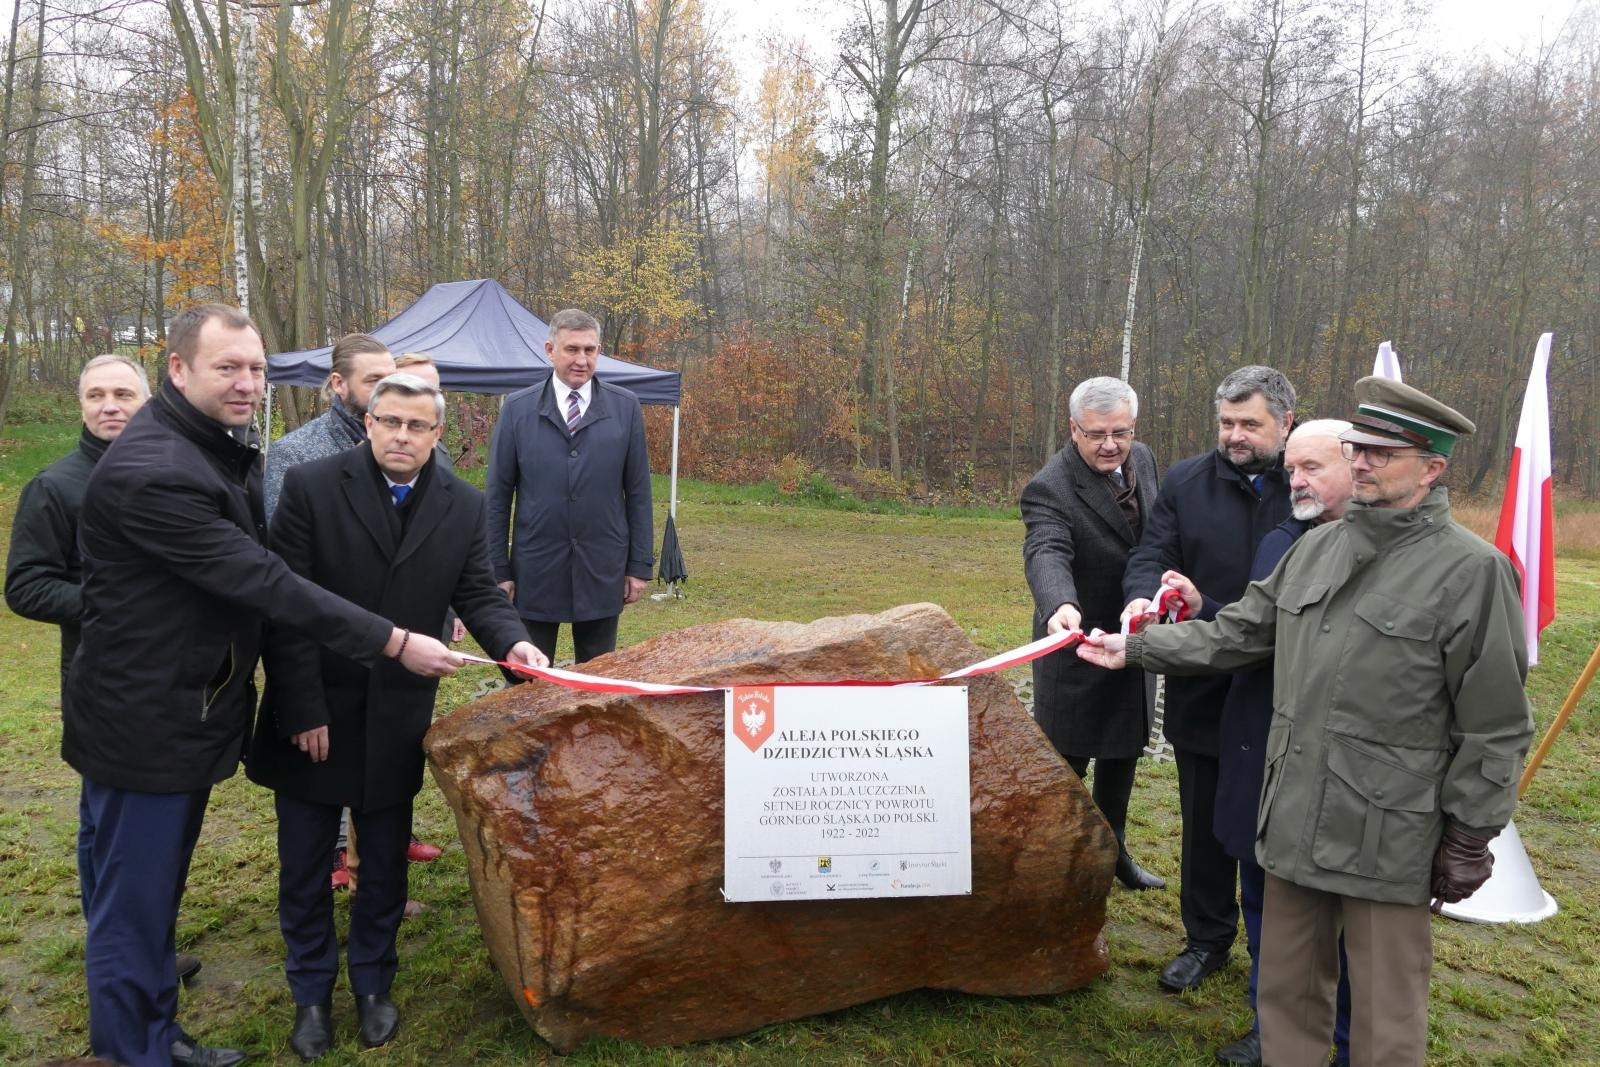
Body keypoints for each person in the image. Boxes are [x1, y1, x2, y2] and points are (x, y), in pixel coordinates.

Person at [1078, 376, 1532, 1067]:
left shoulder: (1472, 572)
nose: (1365, 462)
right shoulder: (1316, 549)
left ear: (1433, 467)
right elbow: (1236, 633)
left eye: (1384, 451)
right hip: (1288, 821)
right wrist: (1135, 646)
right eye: (1359, 448)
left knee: (1383, 1020)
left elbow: (1495, 722)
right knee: (1286, 1004)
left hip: (1385, 834)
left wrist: (1470, 832)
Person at [64, 304, 461, 1067]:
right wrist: (392, 638)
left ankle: (155, 1033)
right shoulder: (159, 471)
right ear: (177, 370)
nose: (247, 382)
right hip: (143, 723)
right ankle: (131, 1050)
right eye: (228, 367)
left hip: (181, 713)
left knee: (154, 904)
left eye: (256, 368)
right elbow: (267, 581)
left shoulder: (211, 448)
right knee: (133, 908)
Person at [249, 372, 546, 1060]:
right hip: (314, 710)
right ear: (369, 421)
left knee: (383, 863)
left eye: (417, 426)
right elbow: (285, 606)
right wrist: (300, 705)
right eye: (390, 422)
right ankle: (312, 993)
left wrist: (514, 642)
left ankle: (374, 983)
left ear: (438, 434)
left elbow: (476, 589)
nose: (402, 436)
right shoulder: (313, 487)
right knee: (303, 865)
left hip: (396, 717)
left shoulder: (462, 503)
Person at [3, 355, 208, 985]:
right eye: (96, 395)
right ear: (81, 406)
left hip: (176, 683)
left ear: (148, 401)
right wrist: (113, 606)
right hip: (100, 681)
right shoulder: (57, 486)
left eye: (123, 393)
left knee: (149, 831)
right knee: (108, 828)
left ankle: (145, 947)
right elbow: (27, 586)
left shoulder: (166, 473)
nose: (109, 405)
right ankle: (119, 950)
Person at [1161, 420, 1357, 1067]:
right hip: (1257, 748)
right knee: (1263, 900)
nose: (1296, 479)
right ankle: (1271, 1029)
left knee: (1345, 925)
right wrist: (1188, 616)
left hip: (1337, 773)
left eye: (1312, 467)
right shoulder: (1281, 539)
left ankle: (1346, 1037)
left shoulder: (1384, 551)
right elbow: (1252, 630)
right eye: (1292, 468)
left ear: (1356, 466)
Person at [1120, 365, 1295, 993]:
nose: (1235, 436)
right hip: (1204, 683)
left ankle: (1279, 957)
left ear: (1286, 424)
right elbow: (1153, 554)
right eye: (1226, 422)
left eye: (1250, 423)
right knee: (1203, 819)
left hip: (1282, 686)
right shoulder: (1188, 480)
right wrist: (1144, 600)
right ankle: (1206, 938)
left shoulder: (1309, 486)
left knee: (1271, 830)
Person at [1021, 376, 1164, 891]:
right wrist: (1060, 604)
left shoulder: (1143, 459)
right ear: (1074, 430)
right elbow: (1046, 549)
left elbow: (1155, 533)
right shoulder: (1050, 485)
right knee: (1067, 763)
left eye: (1120, 433)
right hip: (1075, 643)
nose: (1111, 445)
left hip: (1133, 638)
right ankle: (1048, 860)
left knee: (1124, 751)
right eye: (1097, 434)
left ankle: (1115, 851)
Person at [485, 308, 653, 664]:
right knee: (528, 678)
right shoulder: (518, 409)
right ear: (550, 350)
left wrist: (638, 565)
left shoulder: (625, 408)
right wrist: (498, 569)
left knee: (598, 676)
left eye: (589, 350)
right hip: (536, 568)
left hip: (602, 566)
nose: (581, 360)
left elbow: (638, 493)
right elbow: (498, 498)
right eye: (572, 349)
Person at [263, 333, 395, 521]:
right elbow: (283, 542)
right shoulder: (294, 452)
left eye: (391, 381)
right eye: (374, 381)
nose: (387, 391)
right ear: (339, 383)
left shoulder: (403, 444)